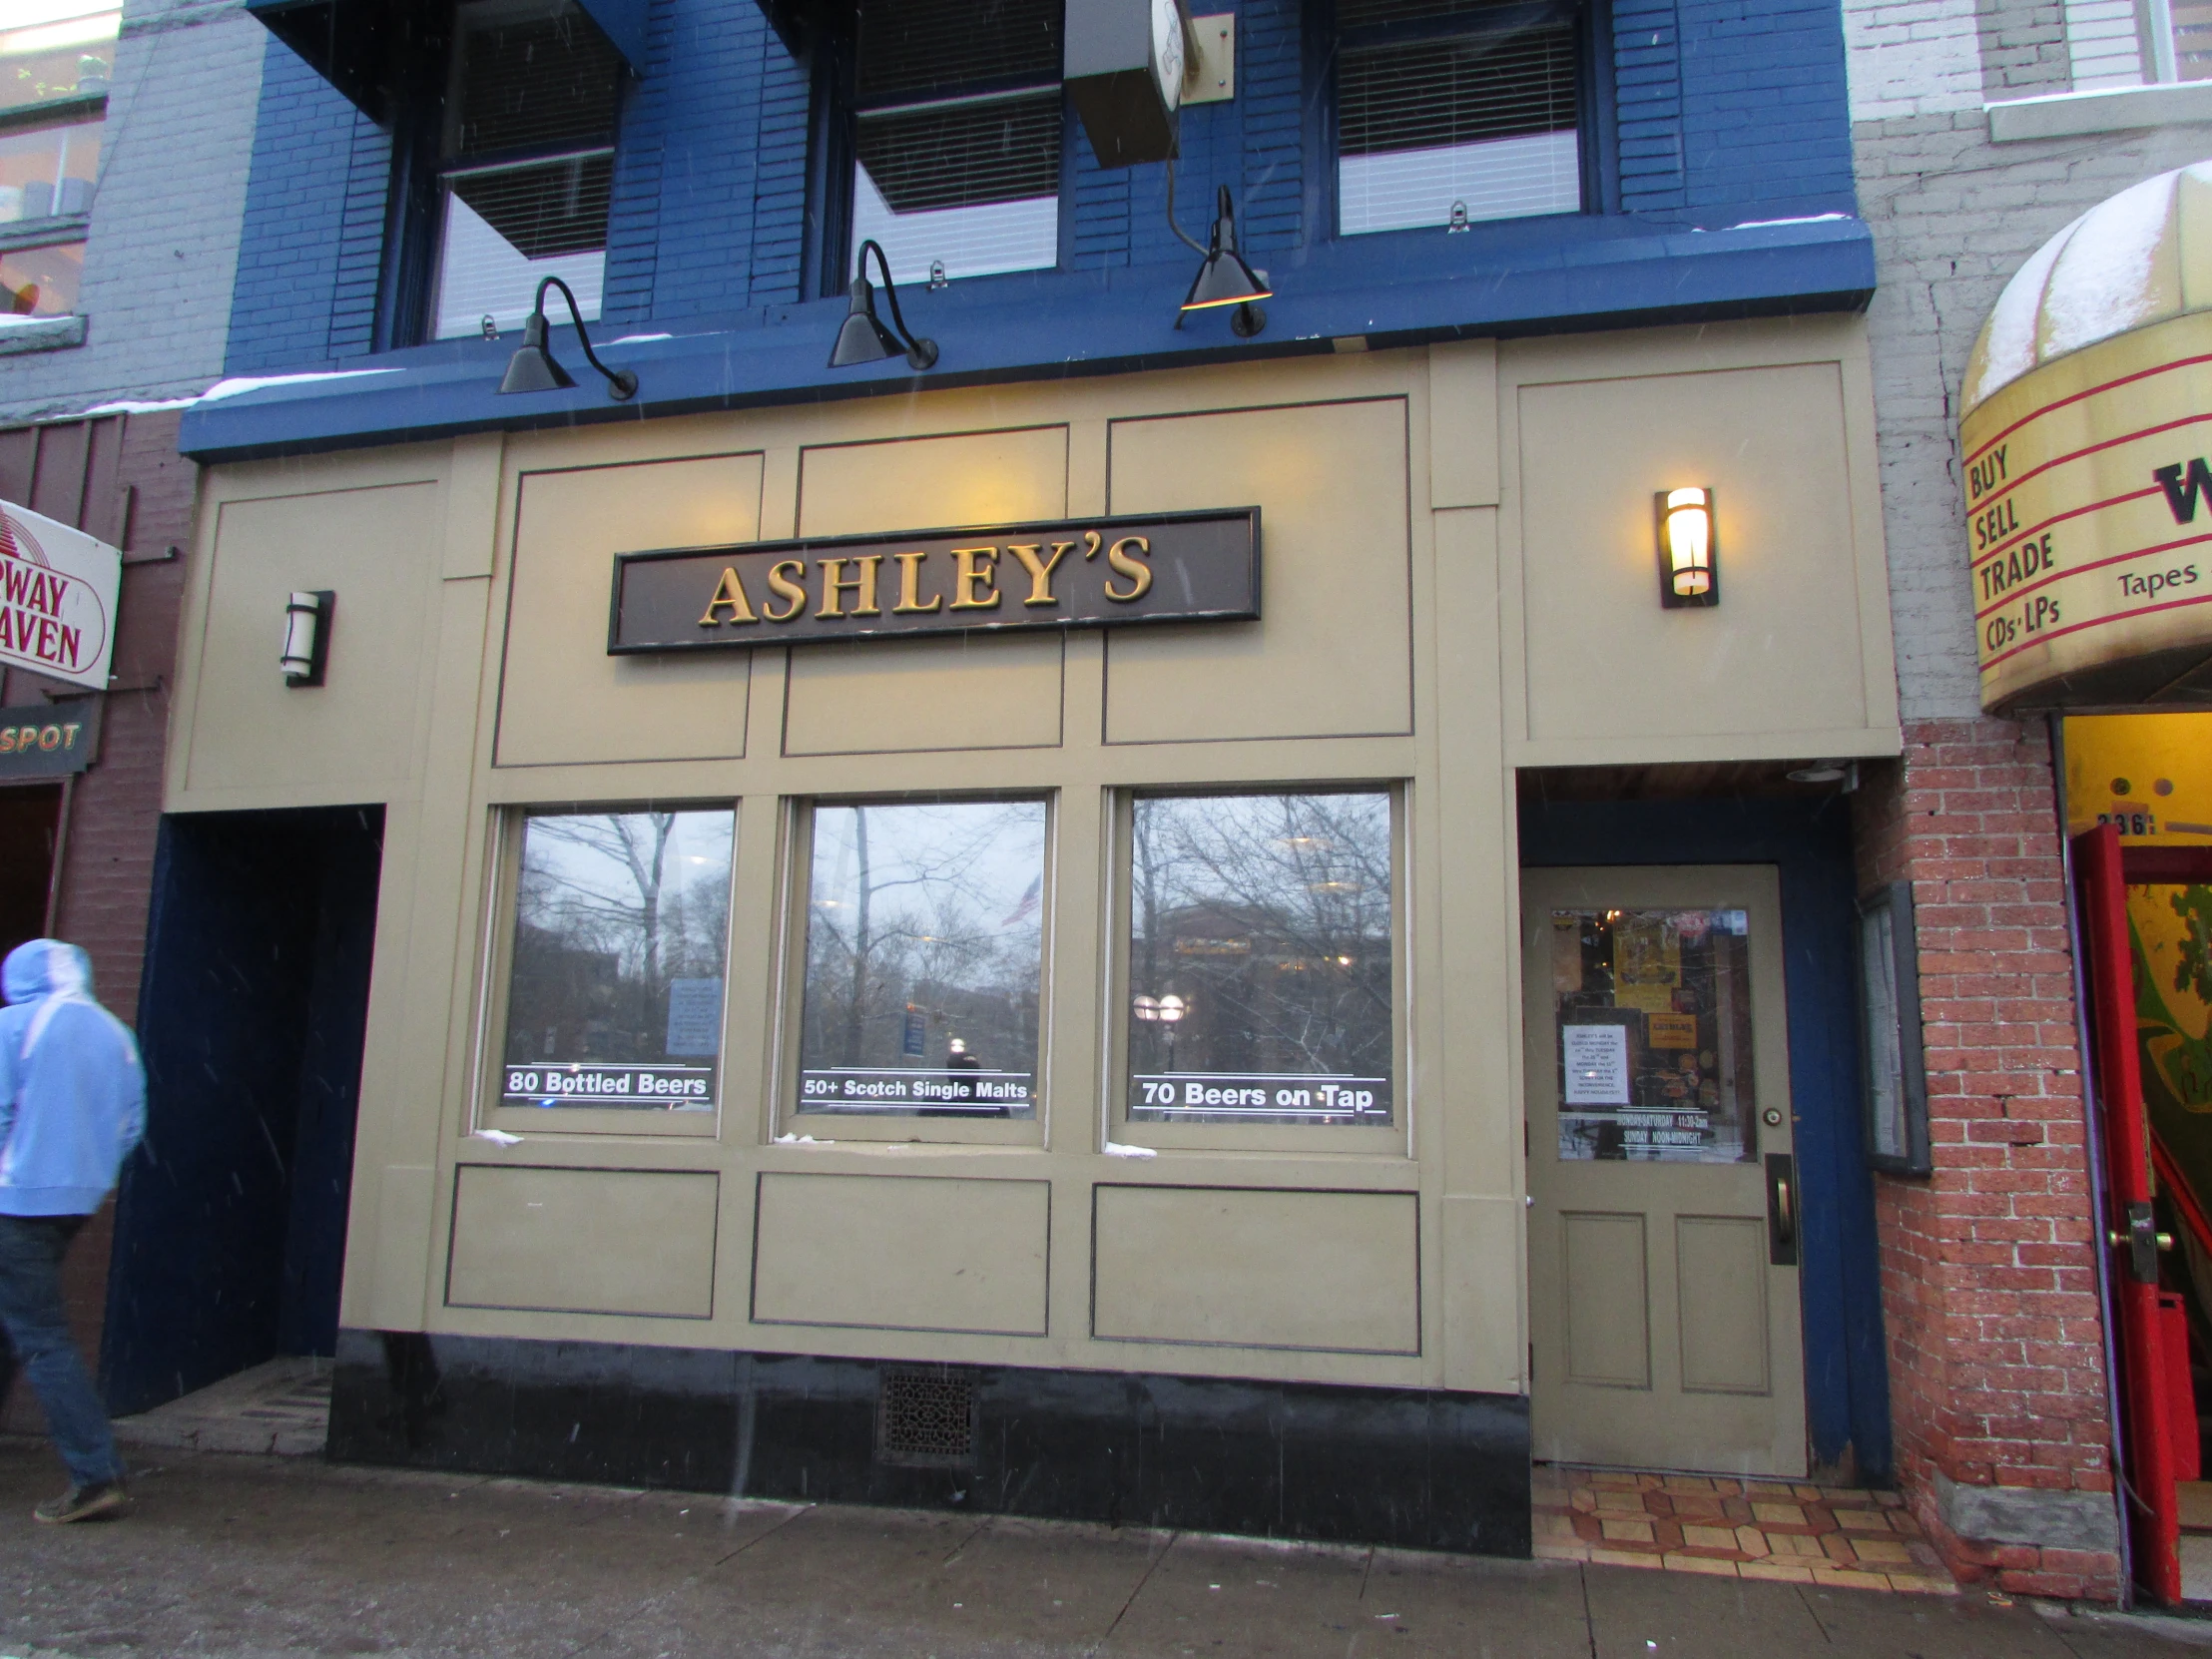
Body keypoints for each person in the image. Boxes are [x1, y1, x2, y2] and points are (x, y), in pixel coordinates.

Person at [0, 938, 145, 1523]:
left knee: (41, 1336)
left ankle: (94, 1475)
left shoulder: (15, 1026)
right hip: (74, 1201)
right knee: (17, 1323)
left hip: (13, 1199)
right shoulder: (115, 1035)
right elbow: (131, 1123)